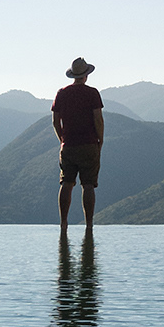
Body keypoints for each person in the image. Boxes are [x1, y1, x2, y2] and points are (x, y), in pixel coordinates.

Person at [51, 56, 104, 236]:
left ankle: (63, 223)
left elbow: (55, 121)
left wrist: (62, 139)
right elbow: (98, 118)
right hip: (89, 144)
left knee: (66, 182)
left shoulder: (61, 93)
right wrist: (100, 140)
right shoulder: (92, 93)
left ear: (73, 75)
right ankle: (89, 225)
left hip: (68, 145)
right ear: (86, 75)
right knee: (88, 185)